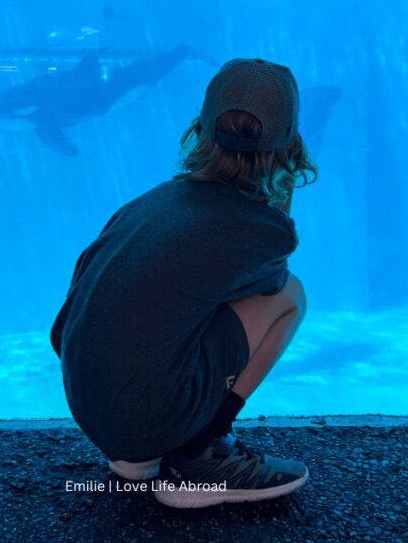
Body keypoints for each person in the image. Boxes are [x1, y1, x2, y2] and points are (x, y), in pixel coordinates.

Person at [51, 58, 315, 509]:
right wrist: (280, 202)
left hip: (88, 407)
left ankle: (138, 457)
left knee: (183, 304)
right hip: (144, 416)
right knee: (291, 296)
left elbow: (63, 331)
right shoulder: (263, 228)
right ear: (287, 145)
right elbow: (269, 285)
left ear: (201, 129)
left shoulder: (149, 204)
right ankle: (200, 454)